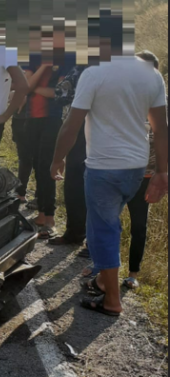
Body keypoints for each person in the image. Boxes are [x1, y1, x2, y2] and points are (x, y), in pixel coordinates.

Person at [50, 54, 168, 317]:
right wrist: (162, 171)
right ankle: (104, 281)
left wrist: (58, 158)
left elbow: (72, 123)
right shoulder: (151, 73)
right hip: (136, 168)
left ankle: (112, 301)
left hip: (104, 167)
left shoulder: (94, 74)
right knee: (109, 223)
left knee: (102, 231)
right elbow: (161, 128)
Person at [122, 51, 163, 290]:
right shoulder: (123, 97)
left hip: (145, 176)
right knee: (108, 221)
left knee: (139, 226)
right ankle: (100, 266)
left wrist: (161, 173)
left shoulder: (163, 102)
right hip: (119, 171)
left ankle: (132, 273)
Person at [23, 61, 69, 239]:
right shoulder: (32, 59)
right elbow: (25, 86)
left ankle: (50, 219)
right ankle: (41, 215)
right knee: (36, 165)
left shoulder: (65, 62)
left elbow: (58, 93)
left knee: (46, 166)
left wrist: (32, 87)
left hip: (52, 119)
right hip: (32, 119)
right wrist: (42, 66)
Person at [49, 65, 89, 247]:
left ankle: (75, 233)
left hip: (78, 127)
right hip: (103, 131)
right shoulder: (117, 68)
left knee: (74, 180)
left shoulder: (80, 70)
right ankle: (88, 237)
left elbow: (59, 95)